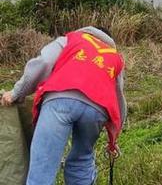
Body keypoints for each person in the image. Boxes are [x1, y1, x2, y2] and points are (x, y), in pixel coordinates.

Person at [0, 26, 126, 185]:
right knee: (81, 161)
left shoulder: (71, 38)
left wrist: (16, 92)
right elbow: (119, 98)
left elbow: (44, 62)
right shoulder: (115, 57)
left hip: (60, 101)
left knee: (44, 162)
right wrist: (113, 138)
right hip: (97, 110)